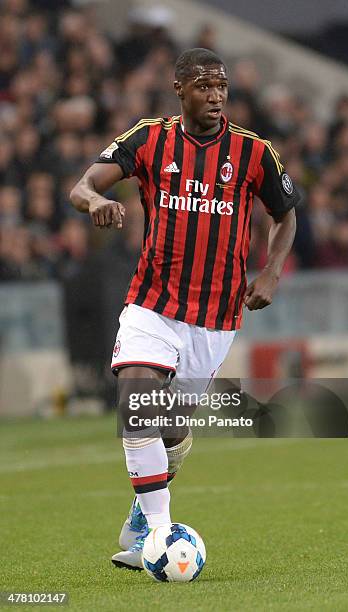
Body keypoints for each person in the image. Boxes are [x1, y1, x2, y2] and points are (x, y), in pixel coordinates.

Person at [70, 48, 299, 570]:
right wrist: (97, 201)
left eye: (221, 86)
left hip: (214, 319)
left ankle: (141, 517)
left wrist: (271, 271)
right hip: (152, 304)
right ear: (179, 89)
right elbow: (81, 186)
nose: (215, 95)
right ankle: (157, 533)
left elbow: (285, 217)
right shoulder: (150, 138)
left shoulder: (253, 152)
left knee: (169, 431)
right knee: (136, 402)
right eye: (203, 86)